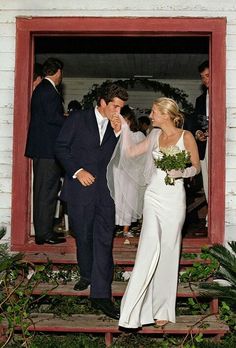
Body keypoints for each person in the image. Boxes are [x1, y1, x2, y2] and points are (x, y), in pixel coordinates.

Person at [107, 97, 200, 328]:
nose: (150, 115)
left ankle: (163, 310)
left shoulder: (186, 136)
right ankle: (133, 312)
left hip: (174, 198)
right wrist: (123, 129)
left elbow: (196, 167)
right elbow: (129, 153)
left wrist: (182, 172)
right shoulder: (154, 136)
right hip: (153, 196)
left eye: (154, 112)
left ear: (166, 114)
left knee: (169, 251)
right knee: (147, 248)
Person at [55, 82, 128, 319]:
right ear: (103, 102)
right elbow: (61, 147)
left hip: (106, 193)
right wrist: (77, 171)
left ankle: (101, 296)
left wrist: (119, 134)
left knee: (104, 241)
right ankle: (86, 273)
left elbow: (123, 159)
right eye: (115, 106)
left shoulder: (118, 126)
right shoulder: (78, 119)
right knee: (83, 236)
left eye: (121, 108)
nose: (118, 111)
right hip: (80, 191)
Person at [25, 57, 66, 245]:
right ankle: (44, 234)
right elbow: (53, 118)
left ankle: (44, 231)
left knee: (44, 192)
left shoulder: (42, 89)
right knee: (46, 193)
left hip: (43, 150)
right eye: (61, 73)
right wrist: (70, 121)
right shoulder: (49, 91)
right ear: (57, 72)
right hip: (47, 151)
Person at [114, 105, 145, 238]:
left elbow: (141, 155)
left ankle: (126, 228)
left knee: (129, 198)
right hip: (117, 171)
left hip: (131, 172)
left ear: (131, 121)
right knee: (116, 198)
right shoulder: (115, 134)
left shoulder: (138, 135)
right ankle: (114, 226)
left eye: (126, 120)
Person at [193, 60, 209, 226]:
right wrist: (198, 133)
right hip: (205, 148)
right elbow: (196, 123)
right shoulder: (200, 100)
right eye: (202, 77)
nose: (205, 80)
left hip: (222, 146)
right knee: (207, 182)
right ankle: (210, 217)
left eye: (208, 75)